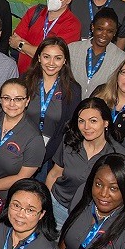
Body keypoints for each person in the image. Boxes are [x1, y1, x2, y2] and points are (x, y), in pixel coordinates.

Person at [45, 97, 125, 225]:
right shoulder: (69, 141)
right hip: (57, 207)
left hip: (89, 216)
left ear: (106, 122)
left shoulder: (119, 155)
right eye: (81, 121)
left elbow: (122, 195)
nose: (86, 127)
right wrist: (45, 205)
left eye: (93, 121)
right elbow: (54, 173)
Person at [0, 79, 44, 228]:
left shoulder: (34, 138)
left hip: (5, 199)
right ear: (0, 100)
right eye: (6, 98)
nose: (12, 104)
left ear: (27, 101)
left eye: (18, 99)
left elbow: (22, 177)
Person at [21, 37, 82, 167]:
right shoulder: (24, 82)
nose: (51, 63)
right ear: (38, 58)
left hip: (52, 155)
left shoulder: (73, 90)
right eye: (46, 57)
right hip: (21, 149)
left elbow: (70, 128)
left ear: (65, 61)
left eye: (58, 58)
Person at [9, 0, 81, 74]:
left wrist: (21, 45)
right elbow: (14, 40)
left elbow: (54, 56)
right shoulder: (34, 12)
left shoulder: (72, 24)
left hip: (51, 80)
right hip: (24, 76)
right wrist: (36, 50)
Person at [68, 8, 125, 97]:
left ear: (115, 32)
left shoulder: (122, 58)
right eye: (100, 29)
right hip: (71, 105)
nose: (104, 34)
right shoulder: (72, 49)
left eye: (110, 31)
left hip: (101, 108)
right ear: (93, 27)